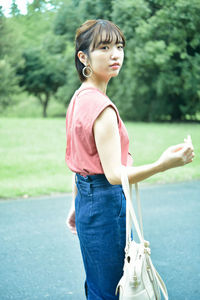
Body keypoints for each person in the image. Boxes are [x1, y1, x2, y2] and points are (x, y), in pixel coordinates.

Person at [65, 19, 194, 300]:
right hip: (105, 201)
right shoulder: (102, 108)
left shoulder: (78, 98)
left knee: (99, 285)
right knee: (112, 290)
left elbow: (79, 159)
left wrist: (78, 202)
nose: (115, 54)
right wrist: (164, 164)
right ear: (83, 56)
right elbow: (113, 175)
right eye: (104, 47)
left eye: (119, 47)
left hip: (89, 202)